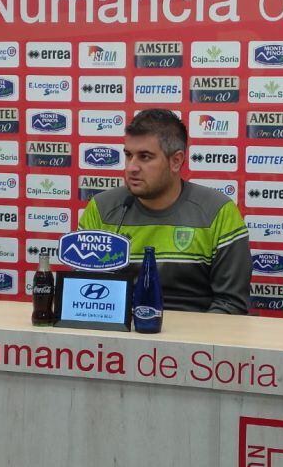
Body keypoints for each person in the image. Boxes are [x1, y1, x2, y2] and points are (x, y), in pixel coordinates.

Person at [79, 109, 250, 314]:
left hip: (194, 339)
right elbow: (83, 294)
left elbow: (231, 304)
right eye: (128, 155)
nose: (132, 167)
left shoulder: (218, 211)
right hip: (120, 338)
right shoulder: (101, 208)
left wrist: (180, 344)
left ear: (176, 161)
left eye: (145, 157)